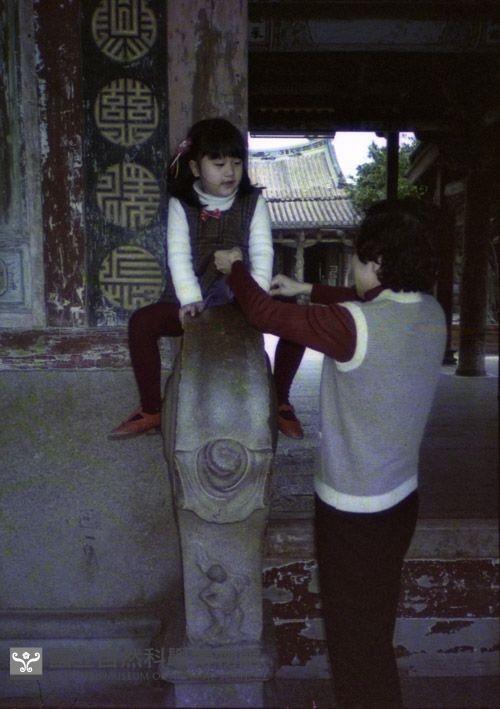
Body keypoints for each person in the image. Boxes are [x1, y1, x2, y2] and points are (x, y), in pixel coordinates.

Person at [214, 198, 447, 707]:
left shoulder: (352, 325)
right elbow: (366, 299)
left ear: (378, 262)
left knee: (350, 639)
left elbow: (263, 314)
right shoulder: (431, 312)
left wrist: (235, 269)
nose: (353, 271)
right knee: (374, 627)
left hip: (352, 513)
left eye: (358, 260)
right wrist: (307, 289)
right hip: (401, 502)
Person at [110, 117, 304, 439]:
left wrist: (255, 297)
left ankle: (280, 399)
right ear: (195, 167)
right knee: (141, 323)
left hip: (243, 295)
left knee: (295, 314)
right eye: (218, 163)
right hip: (195, 298)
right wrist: (189, 300)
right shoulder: (182, 204)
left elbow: (262, 250)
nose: (230, 172)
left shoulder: (253, 202)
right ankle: (151, 409)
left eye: (236, 163)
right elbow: (178, 254)